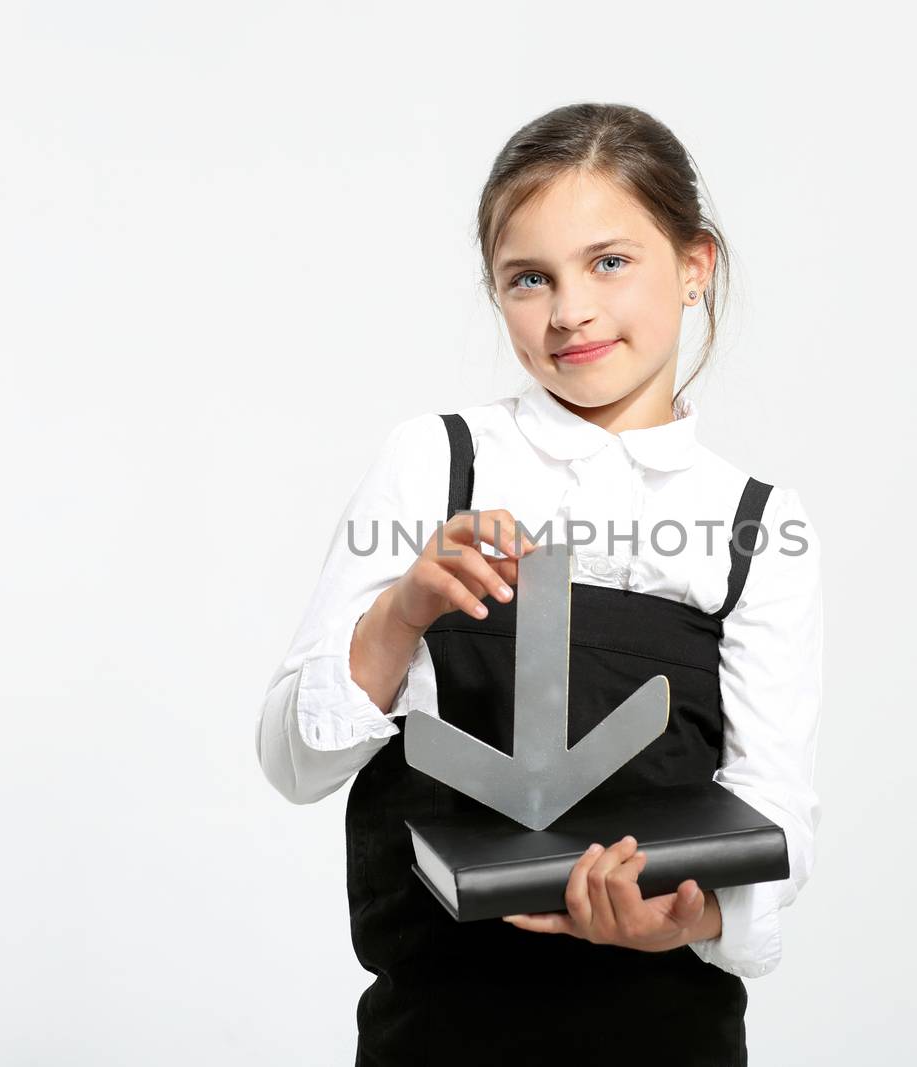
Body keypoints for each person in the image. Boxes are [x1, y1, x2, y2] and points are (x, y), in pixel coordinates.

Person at [255, 102, 823, 1066]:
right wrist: (403, 611)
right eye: (530, 278)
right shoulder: (437, 463)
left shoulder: (759, 527)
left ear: (695, 266)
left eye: (610, 261)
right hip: (439, 1033)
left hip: (668, 1035)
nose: (570, 311)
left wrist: (676, 922)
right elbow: (292, 760)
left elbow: (777, 828)